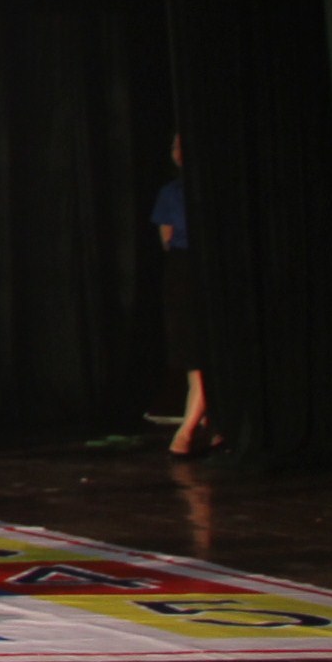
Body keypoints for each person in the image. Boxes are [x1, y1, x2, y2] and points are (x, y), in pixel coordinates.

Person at [150, 133, 208, 455]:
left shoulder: (184, 191)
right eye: (174, 145)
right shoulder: (171, 192)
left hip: (191, 268)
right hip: (184, 269)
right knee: (191, 353)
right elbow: (166, 237)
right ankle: (200, 424)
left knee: (196, 351)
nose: (177, 151)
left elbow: (167, 238)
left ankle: (188, 430)